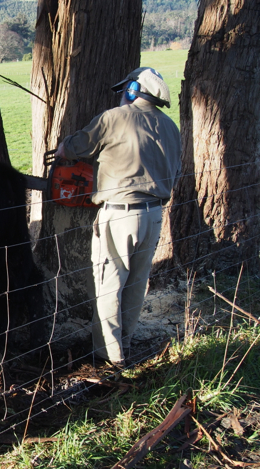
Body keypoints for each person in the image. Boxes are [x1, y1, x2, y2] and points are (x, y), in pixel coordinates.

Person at [55, 67, 182, 367]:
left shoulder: (115, 118)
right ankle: (125, 344)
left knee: (109, 286)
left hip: (119, 215)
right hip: (153, 216)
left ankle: (110, 359)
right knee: (136, 286)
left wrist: (64, 148)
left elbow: (76, 146)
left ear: (133, 90)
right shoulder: (171, 128)